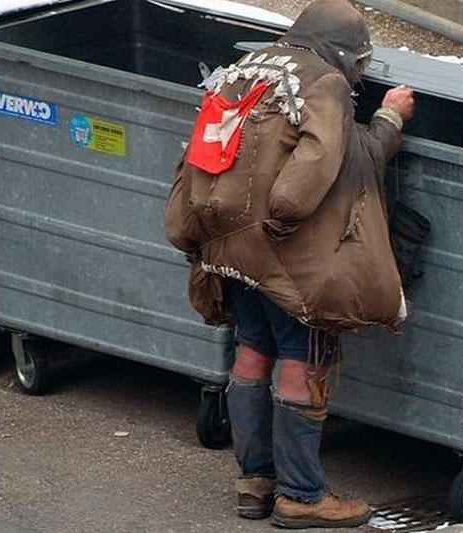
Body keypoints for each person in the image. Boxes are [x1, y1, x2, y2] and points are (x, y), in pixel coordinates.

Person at [164, 0, 415, 528]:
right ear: (346, 52)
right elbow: (341, 160)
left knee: (253, 349)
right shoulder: (325, 83)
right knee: (305, 359)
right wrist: (390, 117)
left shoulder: (240, 71)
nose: (359, 73)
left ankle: (254, 483)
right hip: (286, 253)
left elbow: (202, 153)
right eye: (360, 63)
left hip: (230, 247)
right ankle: (301, 494)